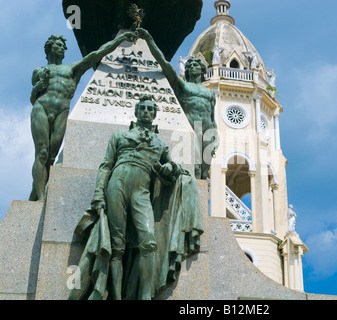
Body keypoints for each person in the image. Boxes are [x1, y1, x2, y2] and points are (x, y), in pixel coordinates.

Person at [69, 96, 203, 300]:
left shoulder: (160, 144)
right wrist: (98, 193)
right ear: (137, 111)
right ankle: (116, 295)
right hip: (117, 183)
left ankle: (145, 295)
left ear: (155, 114)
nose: (147, 112)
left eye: (151, 109)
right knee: (117, 246)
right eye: (143, 108)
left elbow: (174, 167)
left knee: (148, 242)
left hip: (141, 190)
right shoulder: (119, 135)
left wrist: (169, 167)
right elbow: (106, 165)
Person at [29, 31, 137, 201]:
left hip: (62, 110)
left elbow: (96, 55)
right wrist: (37, 88)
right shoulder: (39, 70)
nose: (62, 49)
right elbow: (32, 98)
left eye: (64, 47)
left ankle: (35, 194)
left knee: (51, 157)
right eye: (58, 45)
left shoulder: (71, 69)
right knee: (42, 152)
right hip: (41, 108)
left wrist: (119, 40)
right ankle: (41, 197)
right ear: (49, 47)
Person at [137, 27, 218, 179]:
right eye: (190, 66)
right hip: (189, 126)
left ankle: (195, 196)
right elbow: (164, 64)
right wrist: (149, 40)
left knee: (204, 170)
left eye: (196, 65)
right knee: (194, 166)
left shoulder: (209, 93)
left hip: (207, 129)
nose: (192, 67)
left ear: (202, 71)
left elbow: (213, 118)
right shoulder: (183, 86)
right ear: (186, 71)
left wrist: (216, 136)